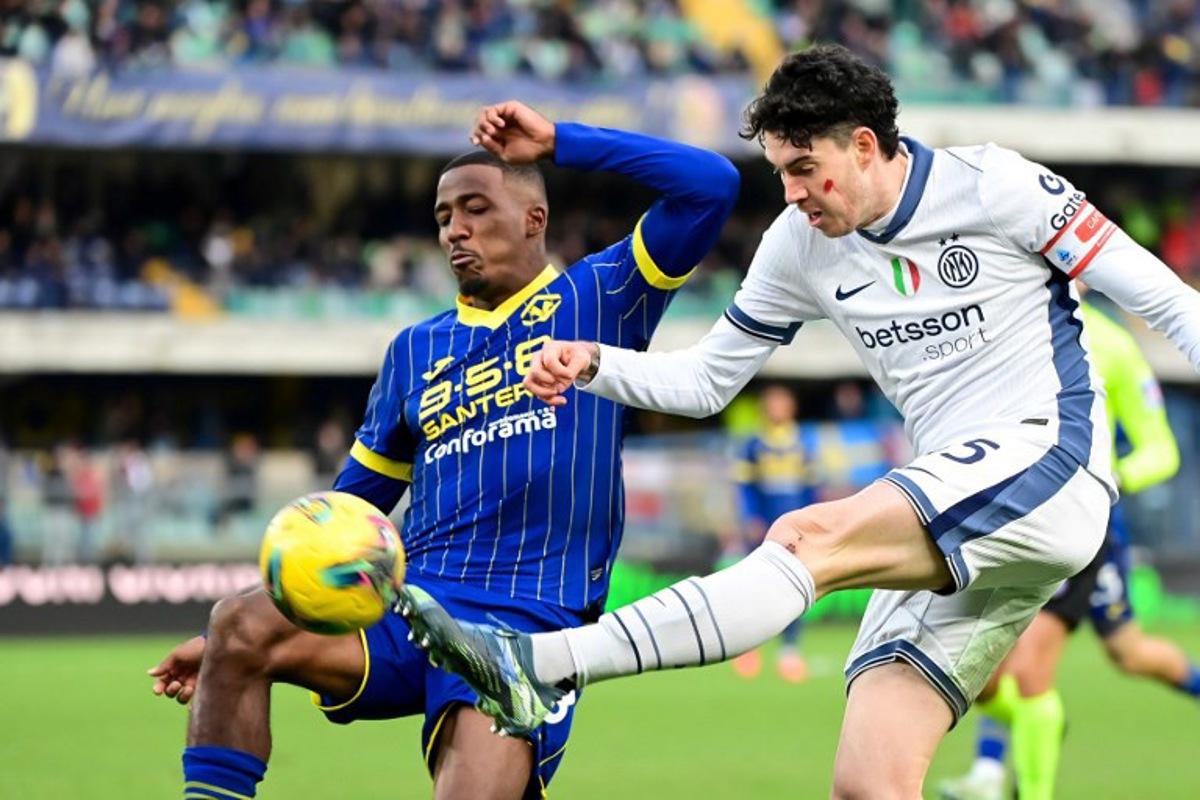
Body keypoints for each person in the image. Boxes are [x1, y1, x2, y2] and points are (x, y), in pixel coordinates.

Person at [394, 45, 1200, 798]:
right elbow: (708, 381)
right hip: (964, 515)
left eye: (805, 170)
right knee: (867, 782)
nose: (791, 194)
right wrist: (595, 363)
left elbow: (1166, 299)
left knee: (806, 539)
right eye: (780, 172)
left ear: (862, 144)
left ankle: (541, 663)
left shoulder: (997, 187)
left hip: (1049, 465)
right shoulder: (800, 244)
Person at [146, 101, 739, 800]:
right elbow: (348, 508)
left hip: (523, 626)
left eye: (476, 209)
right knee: (239, 625)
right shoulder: (413, 350)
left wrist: (559, 142)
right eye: (443, 217)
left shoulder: (600, 297)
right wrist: (230, 644)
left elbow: (711, 183)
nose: (454, 229)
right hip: (408, 612)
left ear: (533, 220)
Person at [939, 298, 1200, 800]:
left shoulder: (1113, 345)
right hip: (1003, 515)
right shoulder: (995, 324)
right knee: (986, 677)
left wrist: (1106, 478)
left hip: (1079, 525)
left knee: (1108, 657)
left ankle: (1015, 776)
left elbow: (1161, 451)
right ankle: (1000, 762)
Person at [728, 384, 819, 682]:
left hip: (795, 530)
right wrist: (749, 516)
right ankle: (747, 647)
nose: (778, 408)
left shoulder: (803, 442)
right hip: (762, 527)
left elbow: (811, 488)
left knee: (796, 585)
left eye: (783, 402)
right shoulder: (754, 444)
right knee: (751, 585)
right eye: (773, 403)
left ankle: (789, 650)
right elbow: (744, 487)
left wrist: (813, 520)